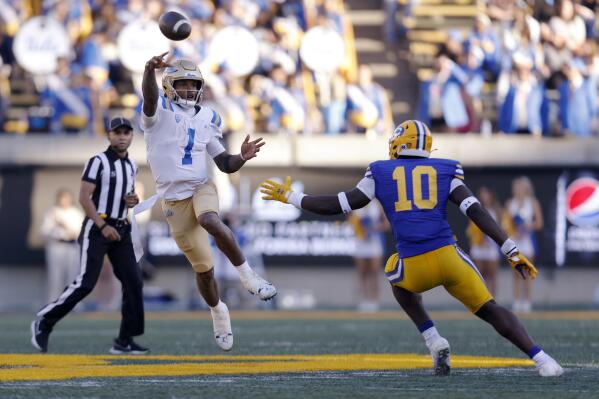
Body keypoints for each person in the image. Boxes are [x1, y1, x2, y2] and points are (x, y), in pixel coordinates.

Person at [260, 119, 563, 377]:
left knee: (394, 272)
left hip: (414, 265)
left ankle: (433, 339)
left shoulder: (379, 172)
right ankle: (543, 360)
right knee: (491, 309)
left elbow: (337, 204)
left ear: (398, 144)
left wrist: (292, 197)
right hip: (450, 258)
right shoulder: (446, 170)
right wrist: (510, 249)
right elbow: (476, 211)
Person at [139, 53, 276, 352]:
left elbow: (224, 162)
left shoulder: (209, 117)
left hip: (201, 186)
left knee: (210, 220)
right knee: (204, 271)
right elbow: (149, 100)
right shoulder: (158, 110)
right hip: (173, 199)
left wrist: (241, 156)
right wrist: (149, 71)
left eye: (192, 84)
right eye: (182, 84)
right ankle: (218, 310)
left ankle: (248, 276)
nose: (188, 90)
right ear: (168, 86)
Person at [31, 117, 147, 355]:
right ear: (109, 135)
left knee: (134, 282)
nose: (122, 136)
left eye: (126, 132)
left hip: (121, 229)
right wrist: (102, 225)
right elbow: (84, 198)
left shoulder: (131, 165)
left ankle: (125, 340)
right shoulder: (98, 162)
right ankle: (45, 321)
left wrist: (131, 200)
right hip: (97, 229)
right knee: (86, 283)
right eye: (118, 132)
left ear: (132, 136)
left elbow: (127, 195)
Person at [504, 176, 543, 313]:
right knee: (515, 272)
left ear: (525, 188)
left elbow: (539, 223)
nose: (517, 190)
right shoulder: (510, 203)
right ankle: (516, 301)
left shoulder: (532, 202)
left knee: (526, 271)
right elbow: (505, 223)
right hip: (515, 241)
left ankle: (526, 301)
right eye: (515, 187)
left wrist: (528, 226)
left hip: (527, 242)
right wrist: (513, 228)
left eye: (519, 187)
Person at [40, 189, 84, 302]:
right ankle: (52, 303)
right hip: (56, 247)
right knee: (55, 277)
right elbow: (44, 232)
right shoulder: (52, 212)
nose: (64, 201)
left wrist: (65, 226)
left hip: (72, 247)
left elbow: (79, 233)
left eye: (66, 198)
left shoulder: (76, 213)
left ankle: (72, 303)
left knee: (73, 276)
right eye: (62, 198)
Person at [348, 200, 388, 312]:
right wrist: (359, 228)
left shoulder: (377, 204)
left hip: (374, 243)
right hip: (360, 243)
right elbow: (351, 222)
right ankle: (364, 300)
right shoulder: (354, 204)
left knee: (374, 272)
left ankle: (375, 300)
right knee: (362, 273)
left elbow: (386, 224)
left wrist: (375, 228)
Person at [466, 186, 501, 296]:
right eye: (482, 194)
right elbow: (471, 229)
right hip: (479, 247)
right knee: (479, 274)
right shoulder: (476, 208)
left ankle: (493, 300)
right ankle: (481, 298)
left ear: (491, 195)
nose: (484, 196)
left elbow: (501, 228)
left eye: (486, 194)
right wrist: (478, 239)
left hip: (491, 247)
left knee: (492, 275)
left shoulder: (497, 210)